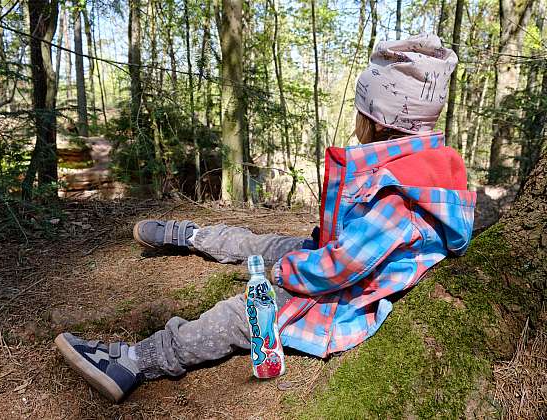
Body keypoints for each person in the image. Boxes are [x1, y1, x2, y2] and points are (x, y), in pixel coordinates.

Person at [55, 33, 476, 403]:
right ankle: (193, 235)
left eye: (360, 110)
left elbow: (342, 267)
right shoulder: (414, 164)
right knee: (264, 243)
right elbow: (351, 246)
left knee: (242, 313)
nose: (355, 119)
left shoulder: (401, 195)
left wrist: (286, 272)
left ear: (380, 122)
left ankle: (134, 362)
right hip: (333, 263)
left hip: (343, 297)